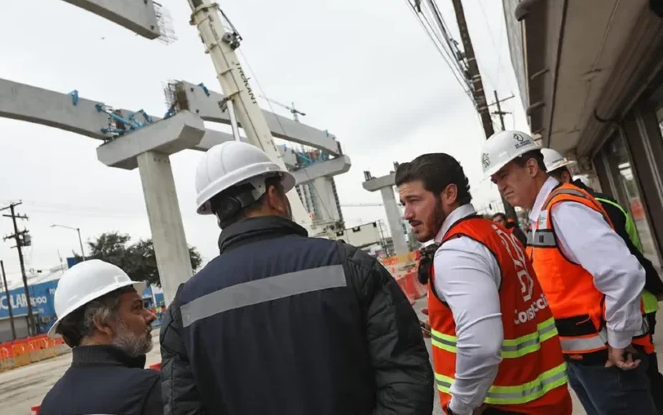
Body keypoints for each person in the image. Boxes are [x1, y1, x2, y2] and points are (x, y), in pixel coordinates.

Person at [160, 141, 434, 415]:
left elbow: (184, 408)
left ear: (217, 212)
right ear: (273, 196)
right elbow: (405, 378)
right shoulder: (350, 267)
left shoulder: (185, 307)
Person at [481, 130, 657, 415]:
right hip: (584, 357)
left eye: (504, 175)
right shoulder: (544, 214)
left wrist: (619, 340)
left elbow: (623, 273)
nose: (501, 185)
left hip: (606, 358)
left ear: (531, 167)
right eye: (496, 180)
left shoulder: (564, 209)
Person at [397, 153, 570, 415]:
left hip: (502, 405)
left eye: (414, 201)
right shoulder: (495, 233)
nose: (407, 214)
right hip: (543, 399)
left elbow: (482, 346)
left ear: (449, 194)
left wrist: (460, 407)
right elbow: (508, 309)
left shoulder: (457, 251)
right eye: (403, 204)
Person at [542, 147, 663, 413]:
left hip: (632, 308)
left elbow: (625, 261)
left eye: (550, 177)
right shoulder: (558, 209)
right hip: (623, 310)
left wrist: (655, 287)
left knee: (648, 385)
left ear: (565, 174)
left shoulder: (574, 207)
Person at [40, 259, 162, 415]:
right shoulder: (148, 390)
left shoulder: (51, 403)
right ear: (103, 323)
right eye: (137, 307)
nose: (150, 316)